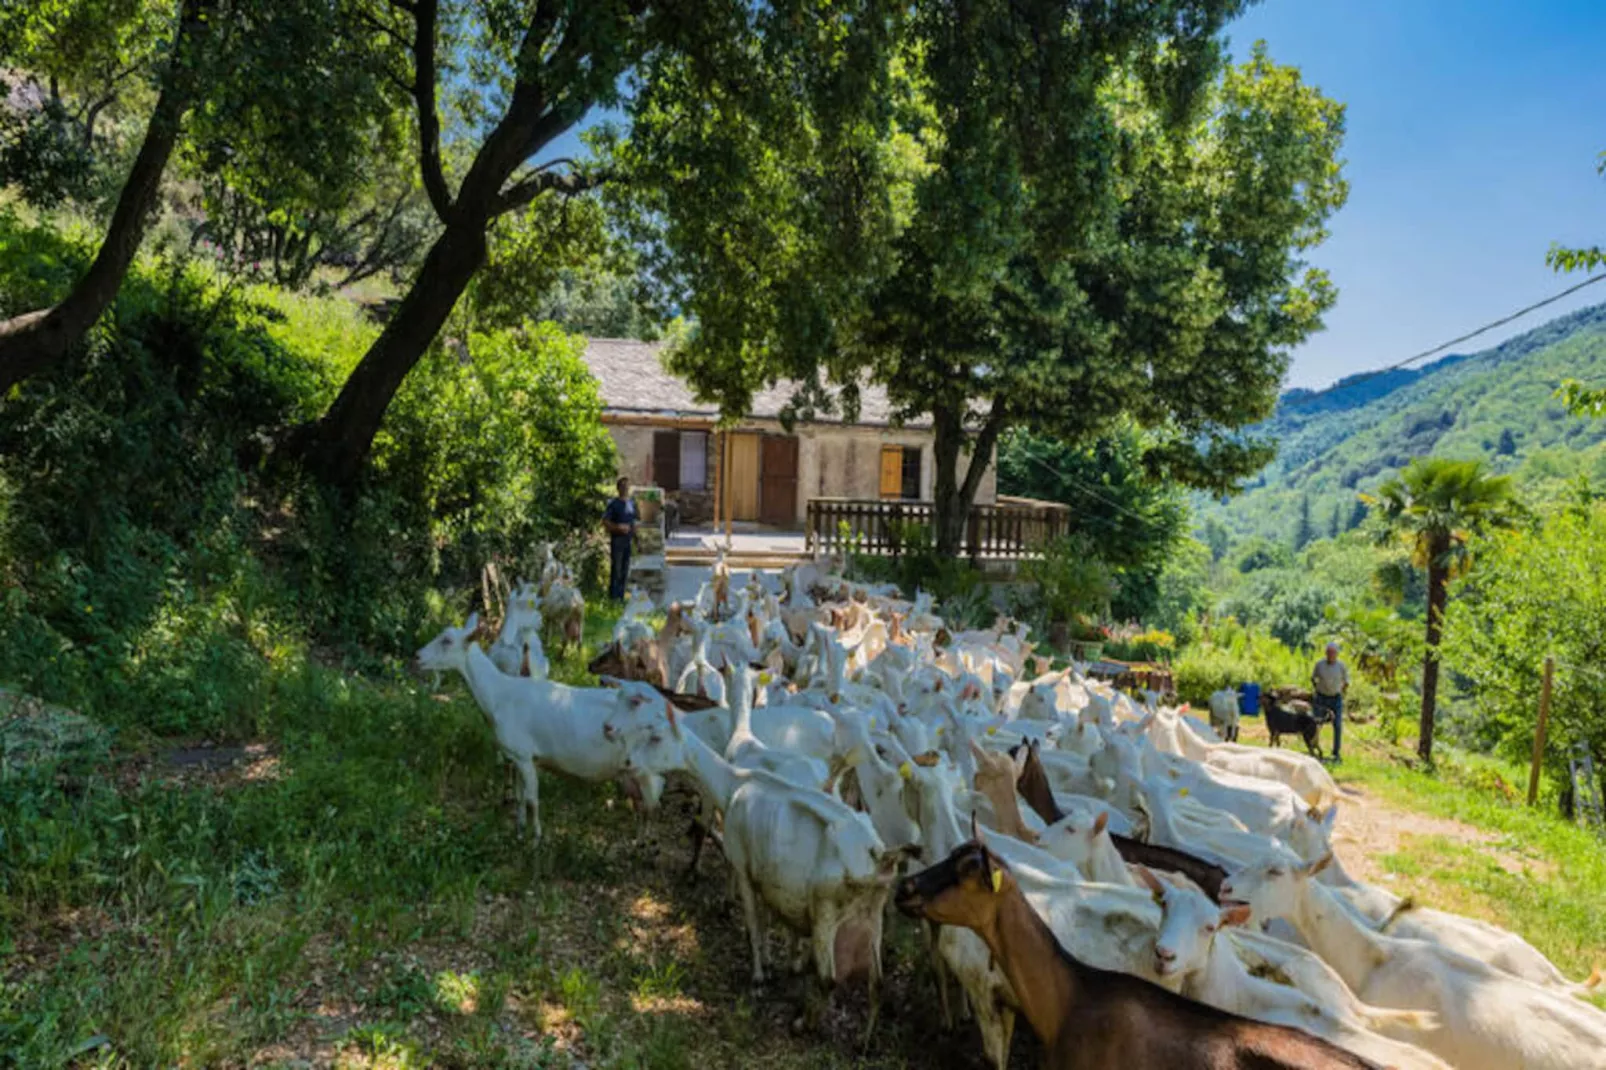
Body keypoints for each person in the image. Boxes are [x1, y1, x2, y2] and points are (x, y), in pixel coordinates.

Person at [1311, 641, 1349, 762]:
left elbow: (1346, 682)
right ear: (1325, 653)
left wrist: (1342, 692)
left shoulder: (1341, 666)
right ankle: (1313, 747)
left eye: (1333, 653)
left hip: (1335, 698)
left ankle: (1336, 752)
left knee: (1337, 725)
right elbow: (1313, 678)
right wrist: (1317, 688)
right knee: (1316, 723)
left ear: (1337, 654)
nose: (1331, 655)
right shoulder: (1320, 664)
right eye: (1329, 652)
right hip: (1321, 697)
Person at [602, 477, 637, 601]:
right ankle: (613, 597)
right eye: (623, 486)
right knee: (616, 568)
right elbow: (605, 521)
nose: (625, 488)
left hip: (628, 541)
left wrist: (635, 536)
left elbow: (634, 520)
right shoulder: (613, 504)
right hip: (617, 541)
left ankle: (620, 597)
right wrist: (618, 527)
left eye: (627, 486)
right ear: (618, 488)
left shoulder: (631, 503)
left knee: (625, 569)